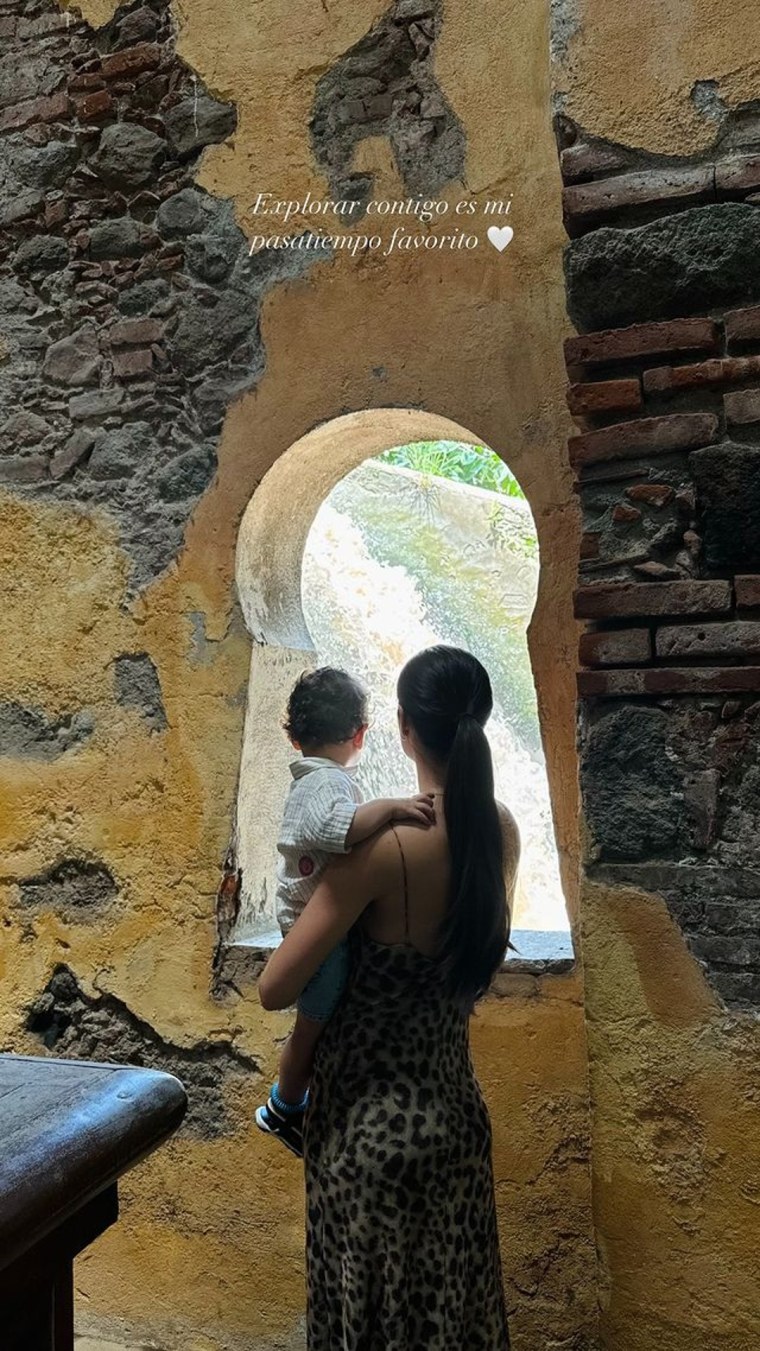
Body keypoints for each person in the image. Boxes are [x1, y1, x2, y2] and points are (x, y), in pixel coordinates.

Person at [259, 645, 520, 1349]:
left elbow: (274, 987)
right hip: (458, 1123)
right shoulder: (499, 832)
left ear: (402, 725)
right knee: (452, 1321)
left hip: (364, 1139)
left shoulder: (385, 847)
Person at [255, 666, 436, 1156]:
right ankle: (284, 1104)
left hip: (314, 920)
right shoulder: (325, 785)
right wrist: (391, 808)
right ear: (361, 733)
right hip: (310, 929)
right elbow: (338, 828)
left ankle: (289, 1100)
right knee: (314, 1019)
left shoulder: (317, 777)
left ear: (295, 738)